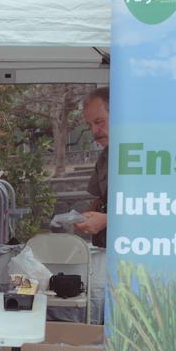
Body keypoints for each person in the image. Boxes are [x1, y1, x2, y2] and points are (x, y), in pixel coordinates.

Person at [74, 87, 109, 246]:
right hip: (105, 247)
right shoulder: (105, 156)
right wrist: (84, 218)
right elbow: (100, 198)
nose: (94, 131)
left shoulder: (151, 154)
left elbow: (159, 208)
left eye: (99, 122)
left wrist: (107, 220)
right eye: (89, 125)